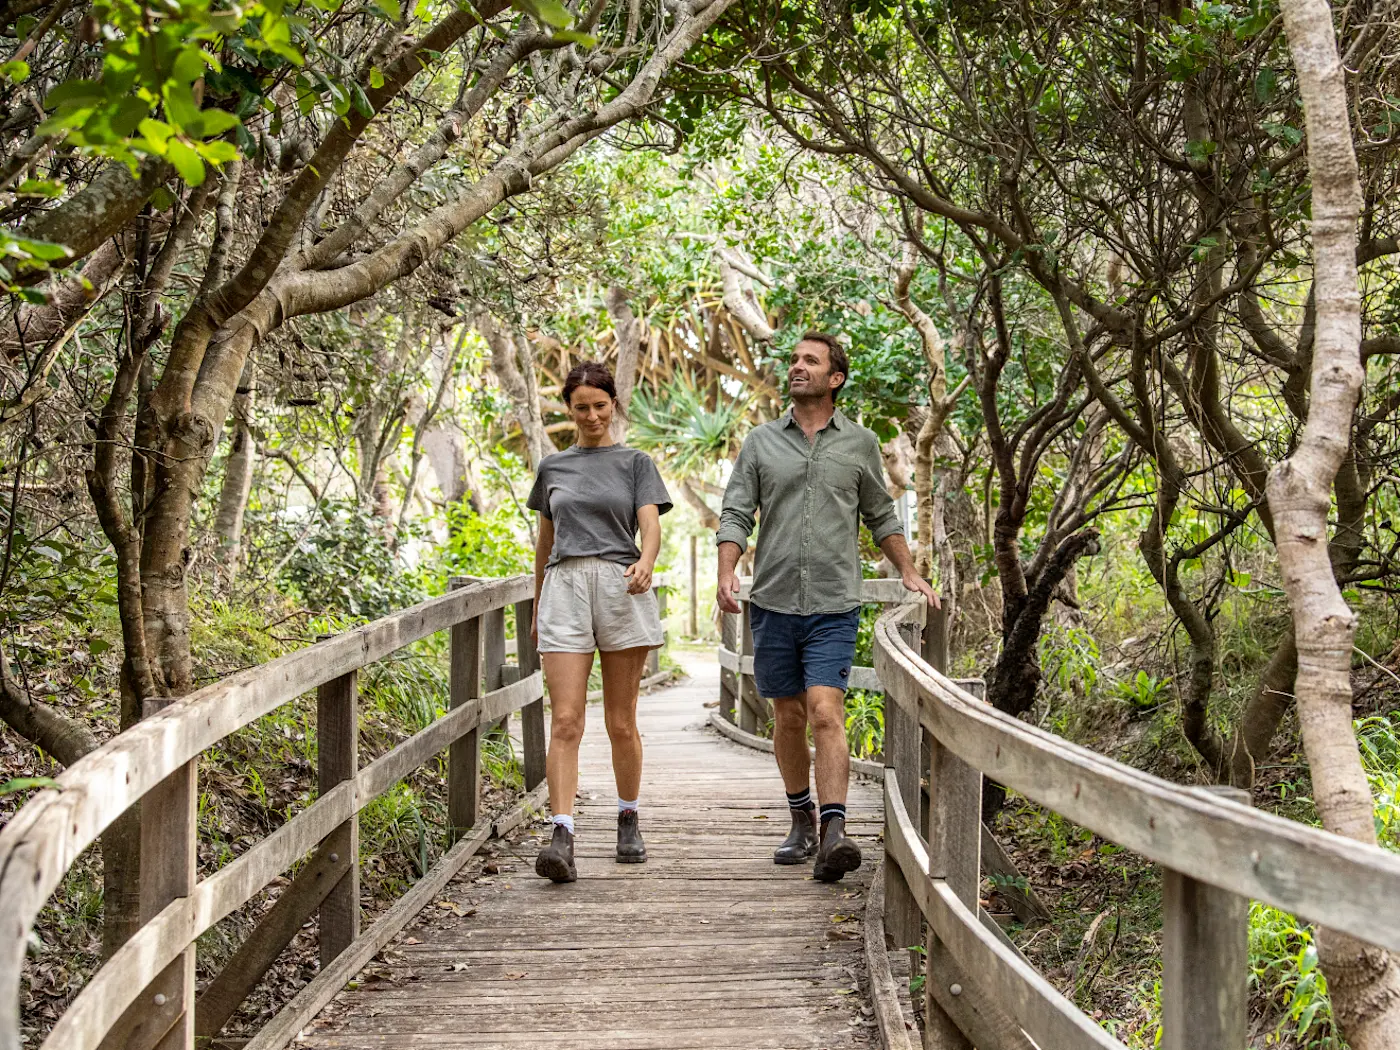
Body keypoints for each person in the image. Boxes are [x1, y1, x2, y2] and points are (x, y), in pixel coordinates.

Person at [716, 332, 938, 883]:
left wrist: (908, 570)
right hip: (772, 600)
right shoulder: (761, 443)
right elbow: (736, 512)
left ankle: (836, 830)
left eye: (810, 361)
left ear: (834, 378)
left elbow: (882, 515)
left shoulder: (859, 444)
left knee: (824, 710)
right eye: (794, 360)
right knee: (787, 715)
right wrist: (726, 570)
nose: (797, 367)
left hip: (834, 602)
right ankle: (801, 819)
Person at [527, 361, 673, 883]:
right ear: (568, 409)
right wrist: (539, 606)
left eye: (600, 405)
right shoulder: (553, 468)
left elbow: (649, 526)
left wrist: (647, 562)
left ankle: (628, 816)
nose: (591, 415)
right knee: (565, 719)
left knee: (621, 720)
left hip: (620, 583)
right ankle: (562, 833)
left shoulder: (636, 462)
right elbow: (545, 543)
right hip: (564, 588)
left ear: (614, 405)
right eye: (581, 406)